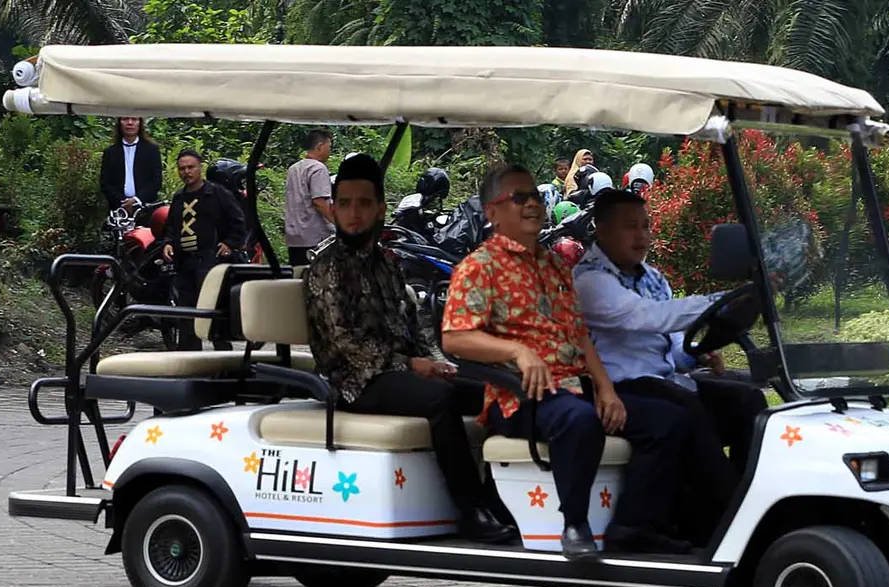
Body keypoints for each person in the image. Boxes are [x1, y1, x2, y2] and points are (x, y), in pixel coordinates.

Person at [441, 164, 691, 560]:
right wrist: (518, 352)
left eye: (534, 196)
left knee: (667, 419)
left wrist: (607, 389)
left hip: (576, 387)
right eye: (518, 198)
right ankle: (575, 524)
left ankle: (639, 528)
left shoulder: (556, 265)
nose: (532, 205)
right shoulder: (478, 268)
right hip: (520, 395)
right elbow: (455, 337)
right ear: (492, 212)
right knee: (580, 420)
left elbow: (578, 334)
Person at [303, 154, 516, 544]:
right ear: (333, 208)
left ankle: (503, 495)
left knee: (490, 389)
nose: (353, 214)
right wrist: (413, 365)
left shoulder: (387, 262)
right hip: (355, 382)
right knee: (439, 398)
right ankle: (471, 508)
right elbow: (344, 343)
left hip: (398, 372)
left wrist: (437, 361)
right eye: (345, 204)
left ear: (381, 208)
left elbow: (413, 323)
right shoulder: (326, 267)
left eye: (364, 203)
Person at [572, 190, 767, 546]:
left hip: (661, 380)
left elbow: (673, 345)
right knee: (682, 408)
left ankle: (749, 496)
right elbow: (645, 317)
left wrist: (700, 353)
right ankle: (731, 517)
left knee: (748, 401)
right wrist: (718, 302)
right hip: (616, 387)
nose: (642, 236)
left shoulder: (654, 278)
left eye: (646, 226)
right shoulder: (590, 280)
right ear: (600, 230)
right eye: (630, 227)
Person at [162, 149, 247, 351]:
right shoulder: (179, 197)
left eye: (191, 167)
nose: (187, 172)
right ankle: (188, 362)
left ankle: (224, 362)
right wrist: (168, 243)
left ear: (200, 167)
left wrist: (230, 244)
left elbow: (239, 221)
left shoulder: (218, 194)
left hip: (211, 261)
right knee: (186, 315)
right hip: (185, 263)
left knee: (214, 312)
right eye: (182, 168)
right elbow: (171, 227)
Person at [284, 129, 336, 267]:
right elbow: (319, 202)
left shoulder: (293, 168)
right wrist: (339, 224)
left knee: (298, 276)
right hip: (315, 237)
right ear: (320, 146)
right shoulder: (318, 168)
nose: (329, 151)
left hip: (294, 236)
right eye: (328, 146)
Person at [99, 117, 163, 212]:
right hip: (118, 209)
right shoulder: (110, 152)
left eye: (134, 119)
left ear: (140, 123)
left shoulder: (152, 150)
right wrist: (123, 201)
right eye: (125, 119)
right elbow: (105, 183)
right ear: (119, 123)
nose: (130, 123)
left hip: (145, 208)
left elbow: (156, 181)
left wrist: (137, 200)